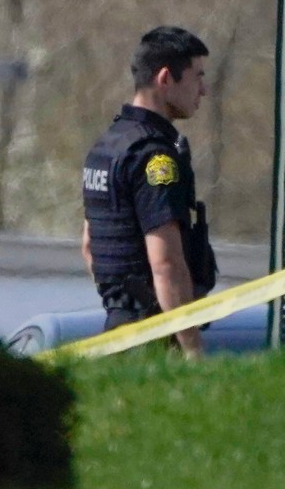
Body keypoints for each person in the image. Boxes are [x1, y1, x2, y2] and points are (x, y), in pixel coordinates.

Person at [80, 26, 219, 358]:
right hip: (154, 337)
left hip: (119, 331)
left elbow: (89, 245)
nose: (204, 90)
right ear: (165, 78)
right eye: (197, 77)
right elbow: (166, 262)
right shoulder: (154, 156)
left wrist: (122, 305)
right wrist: (191, 348)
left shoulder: (107, 146)